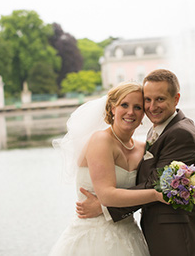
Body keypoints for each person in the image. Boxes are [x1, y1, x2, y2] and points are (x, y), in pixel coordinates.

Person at [77, 69, 195, 256]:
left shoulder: (181, 133)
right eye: (147, 100)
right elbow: (151, 184)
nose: (152, 107)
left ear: (176, 99)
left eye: (160, 99)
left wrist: (104, 205)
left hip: (185, 238)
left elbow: (157, 184)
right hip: (142, 235)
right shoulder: (156, 132)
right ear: (112, 108)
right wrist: (108, 200)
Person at [49, 82, 165, 256]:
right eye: (124, 105)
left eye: (138, 107)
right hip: (92, 239)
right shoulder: (101, 140)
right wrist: (157, 195)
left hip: (129, 235)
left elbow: (141, 189)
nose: (130, 112)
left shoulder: (143, 149)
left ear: (144, 115)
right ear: (112, 108)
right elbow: (107, 195)